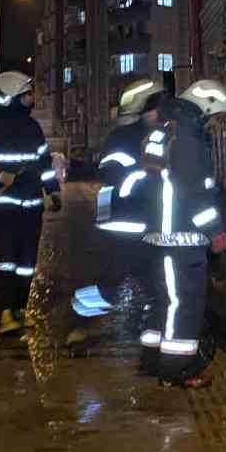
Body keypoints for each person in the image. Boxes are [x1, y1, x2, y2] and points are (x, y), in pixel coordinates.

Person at [138, 79, 226, 388]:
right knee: (185, 303)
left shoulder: (165, 129)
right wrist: (215, 231)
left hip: (159, 234)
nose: (213, 123)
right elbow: (196, 195)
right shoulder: (189, 140)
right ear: (204, 109)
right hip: (182, 237)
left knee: (164, 300)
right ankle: (178, 369)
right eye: (213, 116)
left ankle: (153, 359)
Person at [71, 79, 167, 350]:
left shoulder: (124, 136)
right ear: (142, 110)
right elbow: (128, 180)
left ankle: (152, 335)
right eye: (156, 107)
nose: (160, 114)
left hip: (129, 224)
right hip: (132, 226)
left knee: (147, 283)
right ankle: (77, 318)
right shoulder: (133, 138)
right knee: (121, 284)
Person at [0, 72, 62, 335]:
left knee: (26, 261)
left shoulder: (32, 127)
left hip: (32, 203)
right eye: (27, 94)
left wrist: (53, 191)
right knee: (7, 258)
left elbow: (44, 164)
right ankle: (4, 312)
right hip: (5, 204)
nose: (32, 99)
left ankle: (20, 309)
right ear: (11, 97)